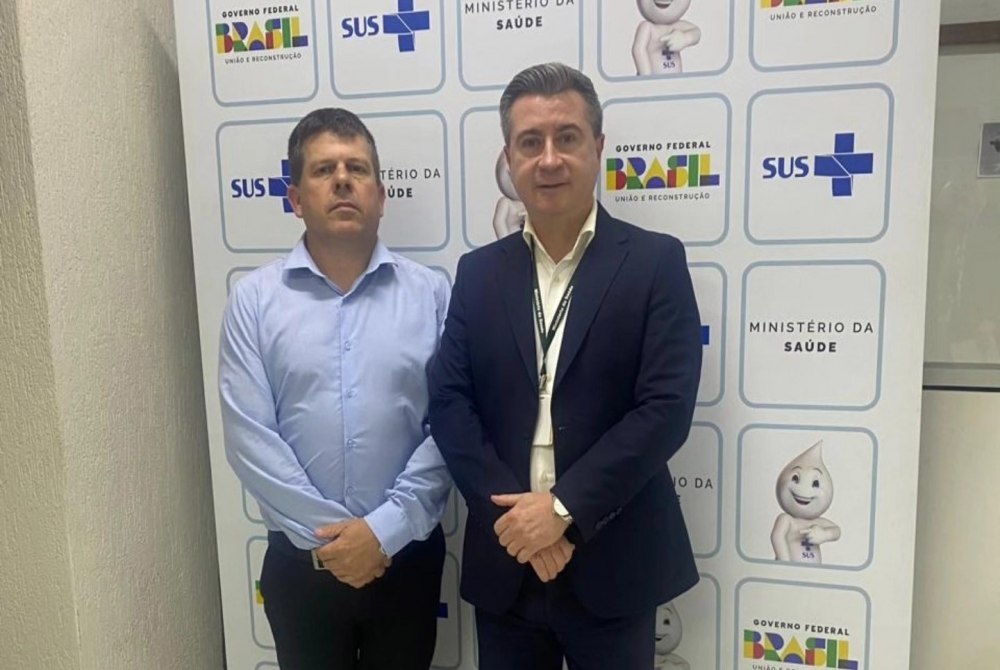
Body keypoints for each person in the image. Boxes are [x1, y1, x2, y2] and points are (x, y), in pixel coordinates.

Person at [428, 63, 703, 670]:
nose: (549, 158)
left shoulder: (655, 263)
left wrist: (560, 511)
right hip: (507, 566)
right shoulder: (478, 273)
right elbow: (448, 402)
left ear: (598, 147)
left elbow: (665, 409)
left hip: (614, 562)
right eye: (530, 142)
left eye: (567, 137)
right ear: (509, 158)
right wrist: (516, 523)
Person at [219, 108, 452, 669]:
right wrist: (339, 544)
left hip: (406, 560)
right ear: (296, 199)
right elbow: (249, 436)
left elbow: (452, 425)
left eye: (357, 168)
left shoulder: (432, 295)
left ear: (381, 195)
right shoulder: (253, 302)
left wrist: (383, 532)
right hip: (301, 569)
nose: (343, 180)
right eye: (324, 170)